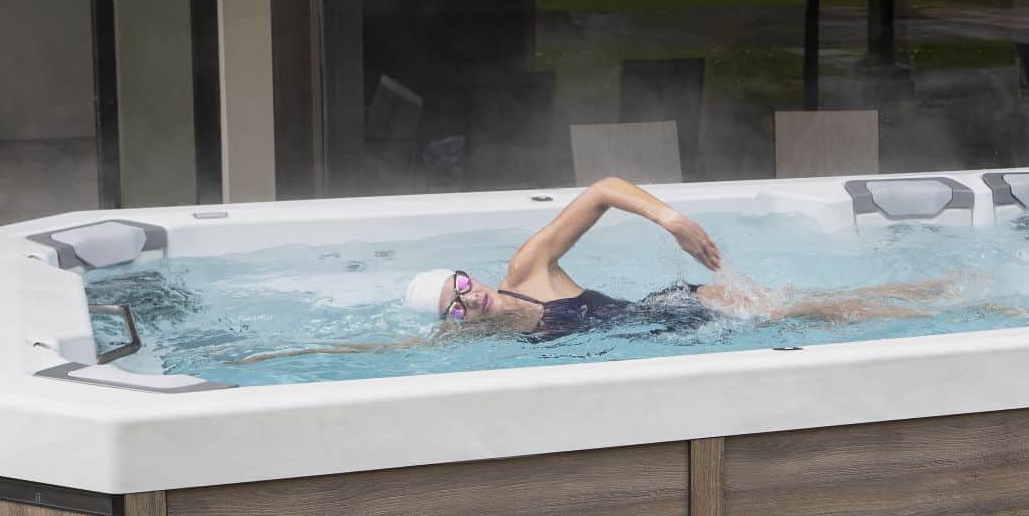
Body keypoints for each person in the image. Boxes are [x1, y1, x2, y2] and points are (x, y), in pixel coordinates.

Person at [397, 175, 943, 339]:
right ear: (451, 326)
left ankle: (939, 305)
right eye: (455, 307)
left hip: (682, 306)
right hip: (673, 333)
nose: (469, 299)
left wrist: (673, 223)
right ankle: (933, 300)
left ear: (467, 275)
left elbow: (604, 189)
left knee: (818, 310)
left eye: (461, 285)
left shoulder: (527, 272)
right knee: (814, 312)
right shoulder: (488, 339)